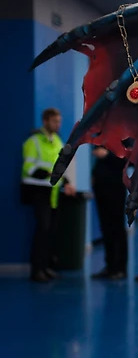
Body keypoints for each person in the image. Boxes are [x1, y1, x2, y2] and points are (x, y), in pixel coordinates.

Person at [21, 107, 75, 282]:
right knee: (42, 230)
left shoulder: (57, 141)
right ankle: (37, 270)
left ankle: (46, 267)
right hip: (39, 191)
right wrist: (45, 173)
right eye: (54, 121)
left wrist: (66, 182)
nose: (58, 124)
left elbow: (59, 166)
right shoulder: (34, 142)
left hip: (53, 192)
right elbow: (28, 167)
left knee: (50, 230)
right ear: (45, 121)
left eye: (59, 121)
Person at [90, 147, 128, 280]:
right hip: (100, 188)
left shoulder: (124, 139)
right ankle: (110, 266)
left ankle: (120, 267)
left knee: (117, 227)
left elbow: (127, 160)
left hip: (115, 187)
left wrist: (107, 155)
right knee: (105, 228)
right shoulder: (101, 139)